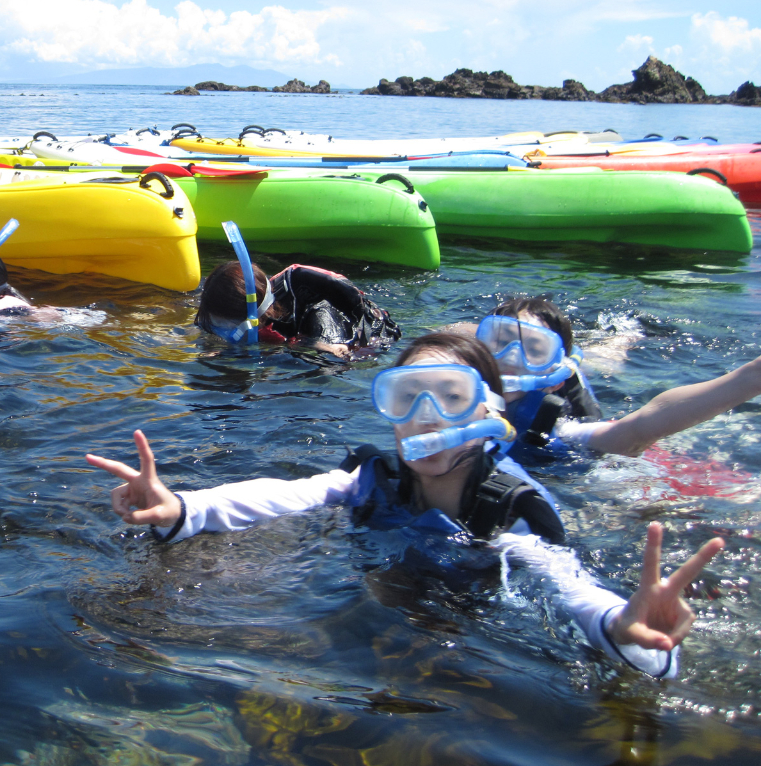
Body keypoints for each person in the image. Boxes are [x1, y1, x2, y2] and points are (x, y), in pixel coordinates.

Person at [87, 331, 724, 679]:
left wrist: (624, 630)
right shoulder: (374, 479)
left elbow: (568, 587)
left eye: (446, 396)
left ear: (488, 412)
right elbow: (284, 495)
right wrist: (182, 508)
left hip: (468, 632)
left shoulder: (507, 514)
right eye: (404, 397)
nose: (421, 419)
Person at [471, 295, 761, 460]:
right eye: (501, 340)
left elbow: (632, 433)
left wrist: (750, 378)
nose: (510, 357)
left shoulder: (558, 430)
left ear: (555, 378)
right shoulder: (448, 392)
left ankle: (623, 338)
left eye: (534, 349)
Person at [194, 260, 400, 357]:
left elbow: (339, 362)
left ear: (253, 316)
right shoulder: (216, 309)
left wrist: (318, 346)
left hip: (362, 331)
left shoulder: (316, 311)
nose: (219, 331)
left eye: (226, 325)